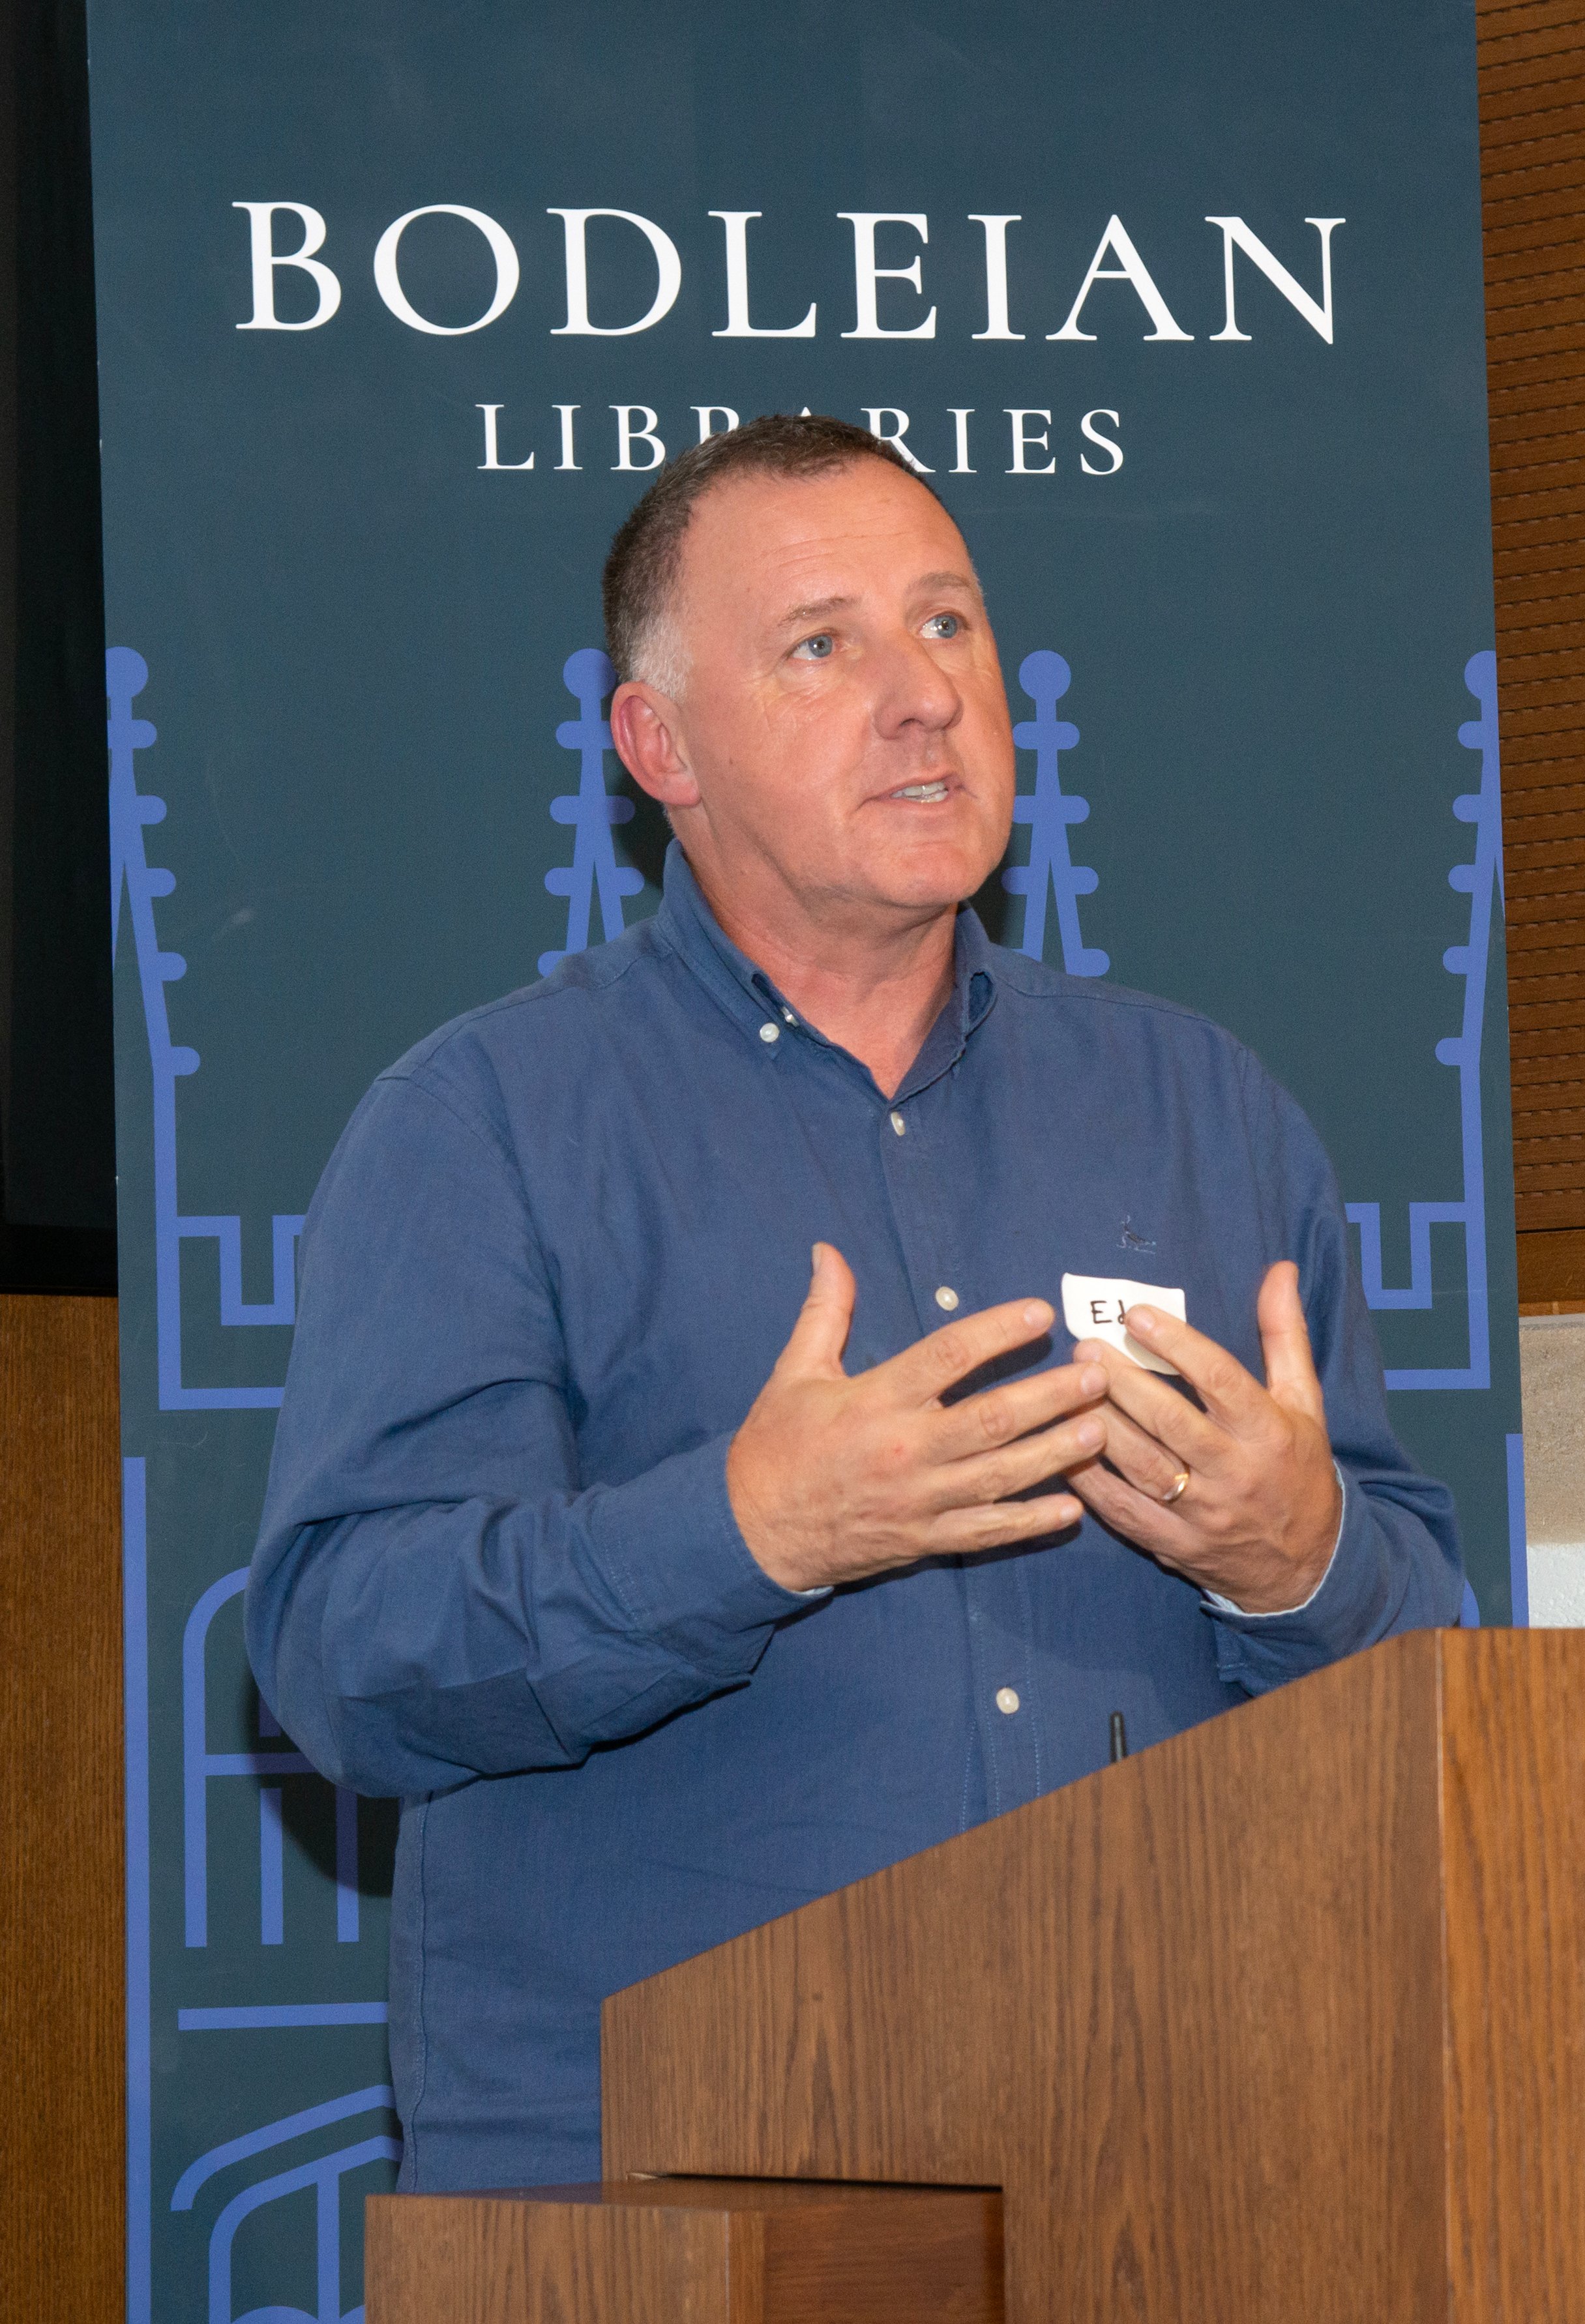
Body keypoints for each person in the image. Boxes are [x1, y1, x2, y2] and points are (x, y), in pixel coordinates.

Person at [246, 413, 1464, 2194]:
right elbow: (347, 1658)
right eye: (825, 645)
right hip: (664, 2191)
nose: (927, 697)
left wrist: (1304, 1559)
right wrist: (741, 1533)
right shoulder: (489, 1122)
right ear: (658, 743)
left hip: (1164, 2166)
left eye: (950, 626)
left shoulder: (1202, 1112)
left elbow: (1426, 1635)